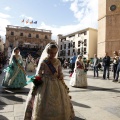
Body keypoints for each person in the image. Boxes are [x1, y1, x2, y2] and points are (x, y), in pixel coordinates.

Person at [24, 42, 75, 120]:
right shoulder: (44, 62)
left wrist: (61, 76)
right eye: (51, 52)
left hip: (56, 82)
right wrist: (37, 80)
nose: (53, 54)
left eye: (55, 52)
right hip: (45, 83)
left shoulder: (58, 61)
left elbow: (60, 72)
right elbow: (39, 73)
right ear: (48, 52)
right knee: (43, 100)